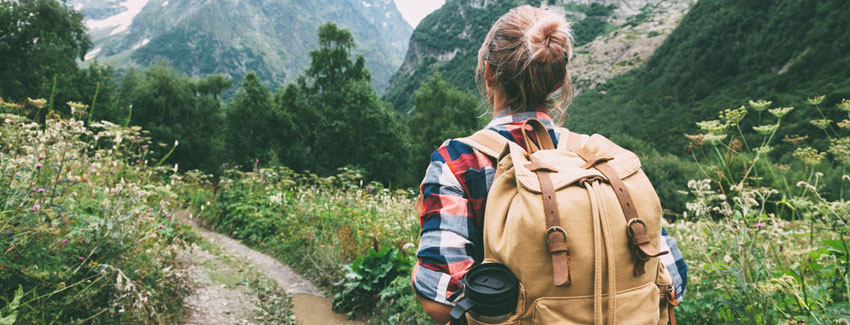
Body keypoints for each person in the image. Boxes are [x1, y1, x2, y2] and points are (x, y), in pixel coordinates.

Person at [411, 5, 687, 324]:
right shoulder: (599, 159)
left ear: (488, 73)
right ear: (557, 82)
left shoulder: (459, 161)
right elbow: (674, 281)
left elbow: (440, 302)